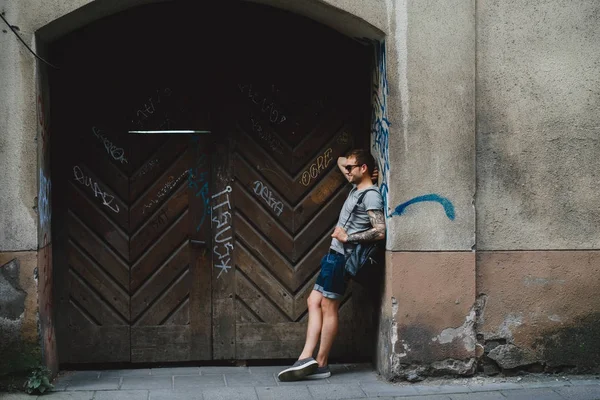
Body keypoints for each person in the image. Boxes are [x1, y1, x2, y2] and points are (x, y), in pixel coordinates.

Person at [277, 148, 386, 381]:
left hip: (343, 257)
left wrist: (349, 238)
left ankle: (320, 363)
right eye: (347, 168)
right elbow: (340, 161)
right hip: (334, 255)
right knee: (313, 300)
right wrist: (354, 166)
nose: (346, 171)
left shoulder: (370, 195)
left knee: (329, 307)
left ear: (363, 168)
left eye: (351, 168)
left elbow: (380, 231)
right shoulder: (357, 186)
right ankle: (307, 357)